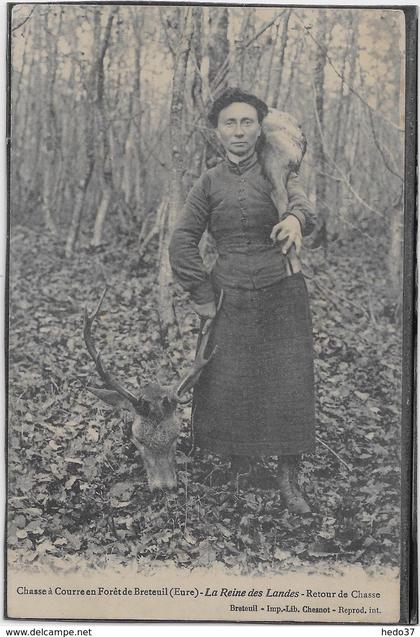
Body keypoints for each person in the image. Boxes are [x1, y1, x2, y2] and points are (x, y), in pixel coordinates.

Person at [169, 88, 316, 514]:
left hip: (282, 291)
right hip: (228, 294)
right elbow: (181, 241)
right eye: (230, 123)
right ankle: (240, 465)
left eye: (247, 122)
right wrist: (202, 294)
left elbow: (304, 203)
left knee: (289, 383)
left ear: (259, 127)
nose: (239, 131)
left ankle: (289, 479)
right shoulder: (209, 182)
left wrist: (293, 217)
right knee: (234, 382)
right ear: (217, 131)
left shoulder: (277, 166)